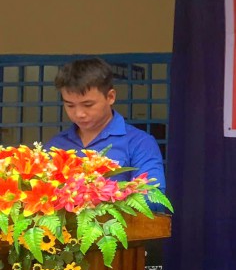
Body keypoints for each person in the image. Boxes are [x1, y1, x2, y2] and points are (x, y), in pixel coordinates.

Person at [47, 57, 165, 190]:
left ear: (110, 97)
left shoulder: (139, 143)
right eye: (70, 105)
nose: (79, 113)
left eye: (88, 105)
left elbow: (153, 195)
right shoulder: (56, 146)